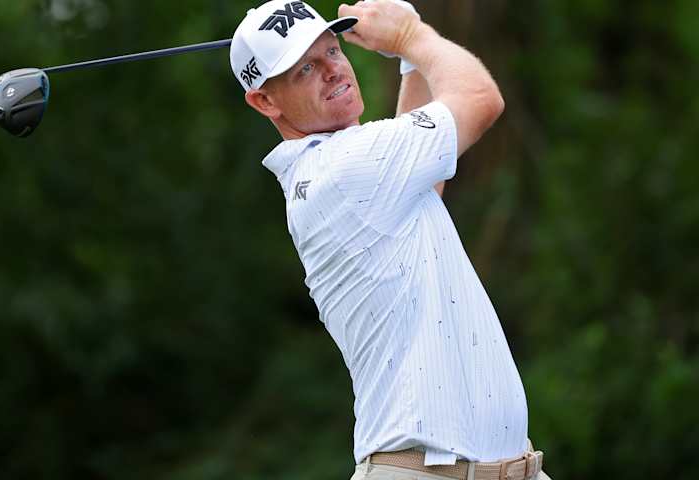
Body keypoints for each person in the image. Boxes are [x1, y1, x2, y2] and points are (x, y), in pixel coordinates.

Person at [230, 1, 549, 479]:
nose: (333, 71)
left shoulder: (350, 169)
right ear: (266, 101)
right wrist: (410, 36)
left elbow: (425, 183)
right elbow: (480, 97)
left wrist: (410, 60)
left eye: (333, 51)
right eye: (305, 69)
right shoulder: (345, 166)